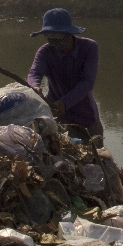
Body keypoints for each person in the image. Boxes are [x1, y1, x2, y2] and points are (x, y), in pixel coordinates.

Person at [28, 8, 103, 144]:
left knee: (95, 156)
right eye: (49, 37)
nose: (53, 41)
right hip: (58, 115)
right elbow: (35, 73)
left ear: (69, 33)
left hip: (86, 116)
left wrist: (65, 103)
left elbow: (87, 82)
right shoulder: (45, 52)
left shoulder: (89, 47)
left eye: (57, 37)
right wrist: (34, 87)